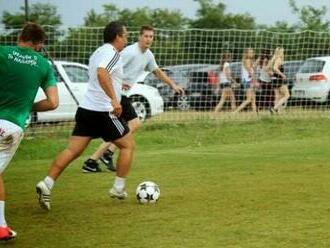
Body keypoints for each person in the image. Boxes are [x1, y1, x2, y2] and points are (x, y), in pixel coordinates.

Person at [35, 21, 134, 211]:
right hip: (104, 111)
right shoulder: (113, 53)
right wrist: (114, 99)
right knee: (128, 145)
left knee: (73, 151)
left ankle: (47, 183)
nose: (126, 40)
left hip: (86, 109)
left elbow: (102, 76)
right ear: (117, 37)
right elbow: (102, 73)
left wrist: (117, 86)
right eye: (125, 36)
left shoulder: (98, 52)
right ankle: (118, 189)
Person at [82, 25, 184, 173]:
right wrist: (118, 82)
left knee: (121, 129)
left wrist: (173, 85)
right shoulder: (129, 52)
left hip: (122, 95)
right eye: (146, 36)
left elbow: (158, 72)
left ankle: (92, 161)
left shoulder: (148, 55)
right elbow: (109, 68)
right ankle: (105, 154)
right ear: (139, 37)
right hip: (116, 95)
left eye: (151, 37)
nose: (148, 39)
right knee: (133, 124)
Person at [0, 22, 59, 240]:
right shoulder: (43, 65)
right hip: (13, 127)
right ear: (38, 44)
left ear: (20, 37)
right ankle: (2, 228)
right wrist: (27, 106)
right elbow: (53, 102)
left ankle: (2, 227)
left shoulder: (3, 53)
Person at [233, 48, 258, 113]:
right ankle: (235, 112)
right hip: (247, 81)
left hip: (247, 81)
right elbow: (249, 71)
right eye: (250, 52)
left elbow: (252, 69)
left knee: (253, 99)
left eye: (252, 52)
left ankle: (255, 115)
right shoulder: (247, 60)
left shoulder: (248, 60)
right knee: (249, 99)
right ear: (247, 53)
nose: (252, 53)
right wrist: (255, 80)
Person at [268, 47, 289, 114]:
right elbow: (275, 68)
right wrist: (282, 74)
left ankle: (278, 111)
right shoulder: (279, 59)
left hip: (274, 79)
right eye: (283, 52)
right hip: (278, 79)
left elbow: (268, 68)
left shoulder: (273, 59)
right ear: (280, 53)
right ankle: (274, 108)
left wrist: (271, 73)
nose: (283, 53)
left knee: (278, 96)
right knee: (287, 95)